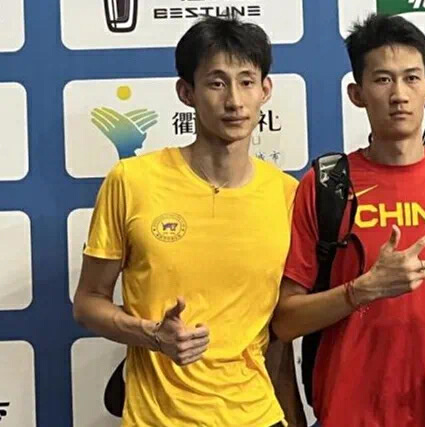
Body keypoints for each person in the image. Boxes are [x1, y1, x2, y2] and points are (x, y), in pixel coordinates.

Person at [72, 16, 303, 427]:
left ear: (265, 90)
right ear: (186, 92)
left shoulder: (288, 194)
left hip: (258, 415)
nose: (234, 101)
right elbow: (88, 302)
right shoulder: (132, 181)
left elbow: (282, 327)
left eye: (247, 82)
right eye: (216, 83)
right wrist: (151, 335)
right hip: (157, 419)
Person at [272, 13, 425, 426]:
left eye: (411, 78)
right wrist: (362, 290)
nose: (399, 95)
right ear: (357, 93)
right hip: (351, 414)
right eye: (383, 79)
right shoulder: (328, 185)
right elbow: (285, 320)